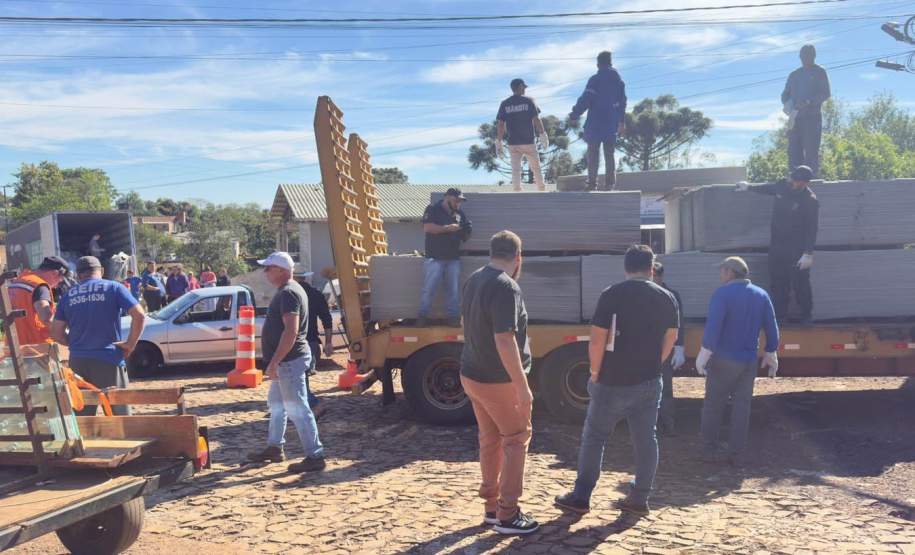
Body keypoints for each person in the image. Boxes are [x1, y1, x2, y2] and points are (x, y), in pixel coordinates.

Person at [555, 245, 678, 517]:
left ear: (626, 267)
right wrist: (655, 363)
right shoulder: (667, 297)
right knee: (646, 440)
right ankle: (639, 498)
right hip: (649, 379)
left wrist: (595, 372)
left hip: (612, 380)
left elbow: (598, 337)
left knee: (595, 437)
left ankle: (581, 496)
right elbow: (671, 336)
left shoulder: (612, 294)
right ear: (651, 267)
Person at [460, 230, 537, 535]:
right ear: (519, 258)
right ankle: (508, 513)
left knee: (489, 439)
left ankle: (491, 507)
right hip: (498, 379)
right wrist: (522, 386)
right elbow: (505, 339)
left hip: (472, 373)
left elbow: (467, 325)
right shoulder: (507, 287)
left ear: (491, 252)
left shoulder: (474, 278)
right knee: (517, 438)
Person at [696, 257, 779, 465]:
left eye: (722, 270)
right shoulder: (761, 295)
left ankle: (709, 449)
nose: (720, 274)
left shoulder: (722, 294)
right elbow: (772, 327)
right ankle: (737, 452)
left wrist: (703, 355)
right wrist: (770, 352)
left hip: (723, 359)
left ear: (730, 273)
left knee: (714, 404)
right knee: (742, 406)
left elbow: (713, 328)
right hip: (748, 361)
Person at [247, 251, 325, 473]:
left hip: (289, 362)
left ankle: (315, 455)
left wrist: (274, 362)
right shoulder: (289, 290)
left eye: (269, 268)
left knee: (298, 408)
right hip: (287, 361)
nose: (266, 272)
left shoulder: (288, 293)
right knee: (277, 406)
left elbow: (290, 332)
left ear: (281, 270)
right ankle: (275, 447)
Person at [49, 256, 145, 416]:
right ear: (101, 271)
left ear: (78, 275)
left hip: (78, 362)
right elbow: (140, 315)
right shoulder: (114, 288)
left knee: (83, 417)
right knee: (120, 416)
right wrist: (130, 344)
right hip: (109, 359)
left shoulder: (68, 296)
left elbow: (56, 333)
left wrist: (75, 344)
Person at [738, 165, 819, 323]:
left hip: (797, 249)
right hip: (777, 245)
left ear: (805, 183)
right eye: (793, 179)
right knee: (778, 282)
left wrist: (808, 253)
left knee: (800, 283)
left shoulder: (810, 200)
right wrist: (749, 187)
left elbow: (812, 228)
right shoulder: (783, 186)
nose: (794, 183)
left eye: (798, 181)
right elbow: (768, 189)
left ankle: (806, 315)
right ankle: (780, 316)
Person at [569, 51, 627, 191]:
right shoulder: (619, 82)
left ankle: (592, 183)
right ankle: (610, 184)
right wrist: (621, 122)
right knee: (609, 154)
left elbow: (586, 99)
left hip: (595, 122)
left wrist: (575, 114)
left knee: (593, 153)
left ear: (598, 63)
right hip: (611, 122)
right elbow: (623, 102)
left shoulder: (595, 79)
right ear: (610, 62)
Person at [418, 188, 472, 327]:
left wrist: (465, 231)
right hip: (434, 257)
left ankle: (453, 317)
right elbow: (428, 227)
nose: (458, 204)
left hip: (453, 258)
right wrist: (448, 228)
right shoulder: (432, 209)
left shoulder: (459, 214)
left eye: (460, 201)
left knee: (452, 289)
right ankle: (423, 316)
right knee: (429, 288)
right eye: (456, 200)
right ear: (447, 198)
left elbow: (465, 230)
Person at [781, 44, 830, 177]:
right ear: (800, 57)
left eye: (808, 55)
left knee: (811, 150)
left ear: (814, 56)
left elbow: (825, 93)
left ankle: (810, 180)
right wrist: (788, 104)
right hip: (795, 118)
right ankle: (794, 179)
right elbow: (785, 95)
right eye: (803, 55)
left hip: (812, 117)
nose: (805, 58)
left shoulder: (819, 72)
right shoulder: (794, 75)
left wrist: (808, 102)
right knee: (793, 150)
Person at [294, 272, 335, 419]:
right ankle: (302, 409)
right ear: (305, 277)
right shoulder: (316, 294)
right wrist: (328, 343)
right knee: (300, 378)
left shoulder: (290, 294)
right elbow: (327, 319)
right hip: (311, 343)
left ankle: (314, 404)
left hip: (296, 344)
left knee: (298, 379)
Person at [495, 78, 549, 192]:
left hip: (513, 143)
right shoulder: (529, 101)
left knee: (515, 170)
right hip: (528, 141)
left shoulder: (504, 104)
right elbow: (536, 119)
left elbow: (500, 124)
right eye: (523, 87)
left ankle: (517, 192)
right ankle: (541, 190)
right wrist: (543, 134)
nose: (525, 89)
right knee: (536, 168)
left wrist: (498, 141)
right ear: (519, 87)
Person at [651, 261, 686, 437]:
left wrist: (679, 346)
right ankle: (652, 424)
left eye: (656, 275)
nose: (653, 278)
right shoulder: (644, 293)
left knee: (665, 388)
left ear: (661, 276)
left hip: (665, 346)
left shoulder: (672, 295)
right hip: (646, 347)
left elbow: (680, 323)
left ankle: (668, 423)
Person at [9, 256, 70, 346]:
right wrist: (68, 338)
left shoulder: (18, 281)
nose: (57, 286)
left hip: (14, 346)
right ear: (54, 273)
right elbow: (47, 319)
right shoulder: (39, 286)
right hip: (37, 348)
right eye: (60, 280)